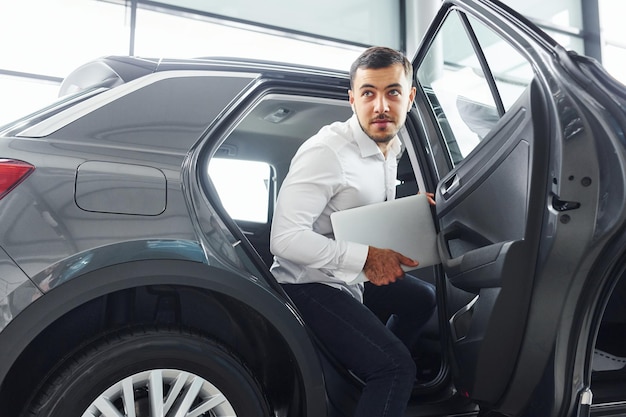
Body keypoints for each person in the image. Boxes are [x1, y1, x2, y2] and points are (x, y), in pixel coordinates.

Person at [270, 46, 436, 417]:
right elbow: (284, 238)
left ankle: (362, 366)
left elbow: (359, 207)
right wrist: (366, 258)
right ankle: (377, 370)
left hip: (352, 279)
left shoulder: (390, 148)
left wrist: (411, 209)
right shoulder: (327, 152)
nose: (380, 106)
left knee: (422, 299)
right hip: (308, 283)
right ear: (352, 99)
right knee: (395, 368)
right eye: (368, 93)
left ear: (409, 97)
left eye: (392, 92)